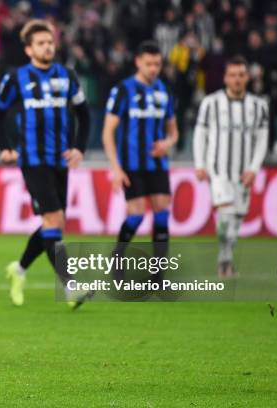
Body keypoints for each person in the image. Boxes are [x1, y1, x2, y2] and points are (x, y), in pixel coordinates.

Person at [0, 19, 90, 307]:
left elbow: (84, 114)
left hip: (60, 159)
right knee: (53, 220)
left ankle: (18, 269)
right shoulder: (16, 78)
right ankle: (70, 287)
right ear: (29, 49)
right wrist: (6, 147)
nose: (48, 47)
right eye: (41, 43)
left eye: (50, 42)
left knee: (53, 224)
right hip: (32, 160)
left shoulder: (67, 76)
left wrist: (79, 148)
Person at [75, 41, 178, 308]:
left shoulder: (163, 91)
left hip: (157, 165)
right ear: (138, 62)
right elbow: (108, 132)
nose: (154, 68)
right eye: (149, 63)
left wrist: (167, 143)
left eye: (157, 64)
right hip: (131, 164)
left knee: (163, 214)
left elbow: (173, 131)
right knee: (135, 214)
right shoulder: (123, 91)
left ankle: (158, 276)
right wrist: (116, 168)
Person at [193, 56, 268, 277]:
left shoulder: (259, 106)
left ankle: (226, 257)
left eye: (241, 75)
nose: (237, 80)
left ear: (247, 77)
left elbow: (262, 139)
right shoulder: (211, 103)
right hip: (218, 170)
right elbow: (200, 135)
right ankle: (224, 262)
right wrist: (200, 163)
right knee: (226, 214)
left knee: (236, 218)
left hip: (243, 172)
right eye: (233, 75)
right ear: (225, 78)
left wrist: (254, 168)